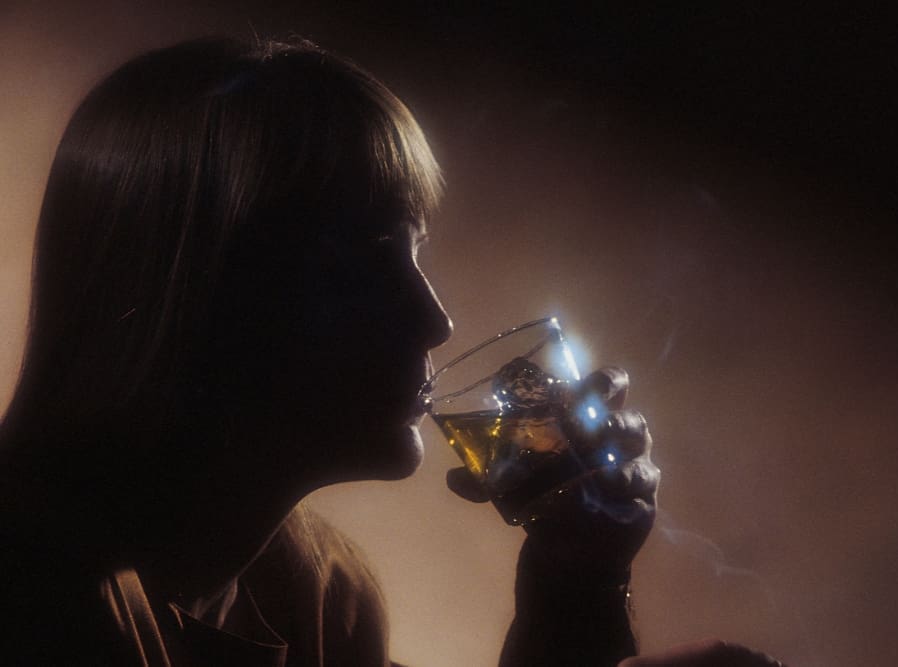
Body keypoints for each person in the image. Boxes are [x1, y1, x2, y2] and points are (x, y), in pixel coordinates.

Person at [0, 36, 781, 666]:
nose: (434, 318)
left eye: (415, 255)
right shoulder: (39, 601)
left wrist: (576, 581)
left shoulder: (318, 593)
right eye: (365, 264)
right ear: (199, 297)